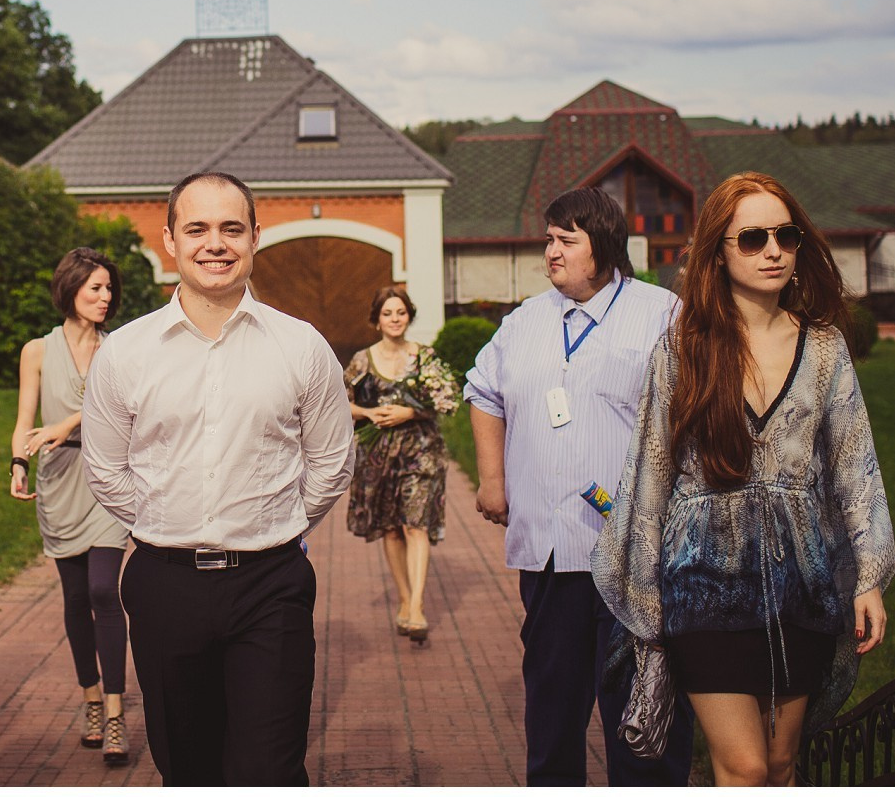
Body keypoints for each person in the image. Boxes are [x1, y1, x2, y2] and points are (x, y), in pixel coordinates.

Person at [593, 172, 895, 787]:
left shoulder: (826, 348)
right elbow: (649, 470)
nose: (773, 251)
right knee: (746, 768)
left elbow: (854, 468)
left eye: (785, 236)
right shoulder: (683, 349)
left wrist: (868, 575)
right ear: (719, 251)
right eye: (753, 238)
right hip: (704, 582)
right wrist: (644, 589)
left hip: (802, 583)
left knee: (783, 765)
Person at [81, 172, 353, 786]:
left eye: (232, 228)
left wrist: (272, 523)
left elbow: (332, 463)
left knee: (271, 767)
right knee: (187, 767)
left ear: (256, 237)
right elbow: (105, 468)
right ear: (170, 241)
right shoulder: (124, 353)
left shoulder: (301, 346)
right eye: (197, 228)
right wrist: (163, 521)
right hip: (163, 584)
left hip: (270, 585)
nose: (216, 243)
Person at [463, 186, 695, 785]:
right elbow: (483, 391)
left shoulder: (661, 314)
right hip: (547, 557)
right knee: (552, 721)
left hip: (635, 558)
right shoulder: (523, 322)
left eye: (567, 240)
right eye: (548, 239)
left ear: (606, 245)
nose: (552, 252)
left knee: (641, 724)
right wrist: (493, 480)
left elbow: (695, 417)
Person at [9, 247, 133, 764]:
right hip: (59, 482)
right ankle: (88, 698)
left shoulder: (118, 351)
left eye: (109, 289)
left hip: (105, 477)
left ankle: (115, 713)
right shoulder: (36, 350)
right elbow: (24, 420)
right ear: (71, 290)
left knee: (106, 590)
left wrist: (68, 423)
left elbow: (124, 410)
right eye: (95, 288)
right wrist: (18, 462)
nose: (105, 298)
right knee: (75, 597)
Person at [343, 285, 459, 645]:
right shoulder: (363, 359)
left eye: (401, 313)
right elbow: (340, 402)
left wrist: (412, 410)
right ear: (377, 320)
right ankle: (405, 597)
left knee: (415, 525)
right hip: (378, 457)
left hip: (420, 452)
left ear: (409, 317)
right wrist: (367, 412)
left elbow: (447, 398)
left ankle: (418, 606)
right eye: (388, 314)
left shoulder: (424, 357)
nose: (395, 319)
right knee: (392, 529)